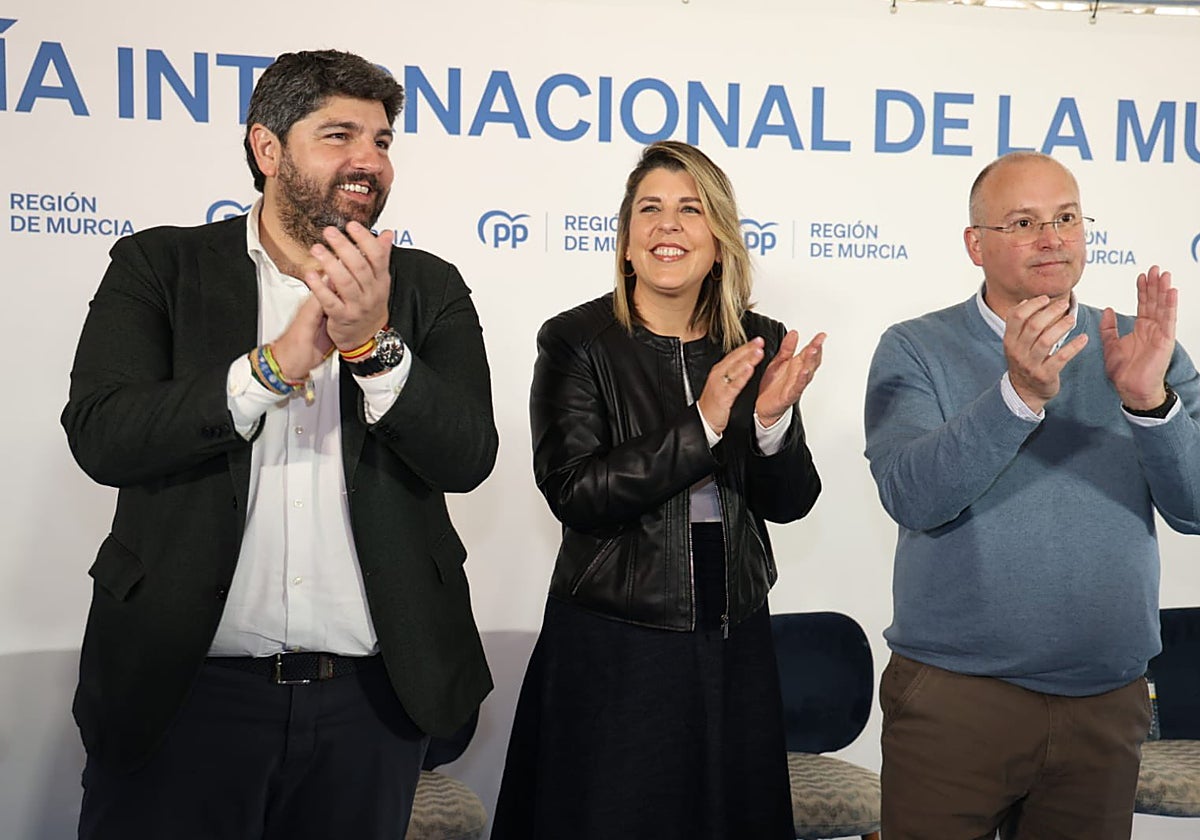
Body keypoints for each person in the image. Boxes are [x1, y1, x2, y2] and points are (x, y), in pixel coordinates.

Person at [60, 49, 497, 840]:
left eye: (383, 140)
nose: (369, 160)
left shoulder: (428, 287)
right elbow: (103, 434)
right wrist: (272, 368)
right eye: (340, 135)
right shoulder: (160, 267)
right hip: (184, 696)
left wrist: (373, 347)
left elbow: (469, 455)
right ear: (268, 149)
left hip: (371, 708)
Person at [490, 140, 824, 839]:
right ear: (626, 241)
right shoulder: (577, 341)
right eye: (650, 209)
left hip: (734, 632)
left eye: (690, 209)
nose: (668, 225)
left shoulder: (756, 339)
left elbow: (790, 502)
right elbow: (574, 489)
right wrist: (701, 425)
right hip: (614, 637)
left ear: (719, 238)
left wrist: (771, 423)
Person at [864, 150, 1200, 839]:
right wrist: (1015, 397)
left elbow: (1194, 507)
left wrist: (1149, 404)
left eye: (1067, 218)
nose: (1053, 238)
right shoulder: (915, 348)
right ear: (975, 244)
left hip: (1106, 703)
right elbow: (913, 496)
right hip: (957, 703)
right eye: (1024, 221)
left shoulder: (1144, 347)